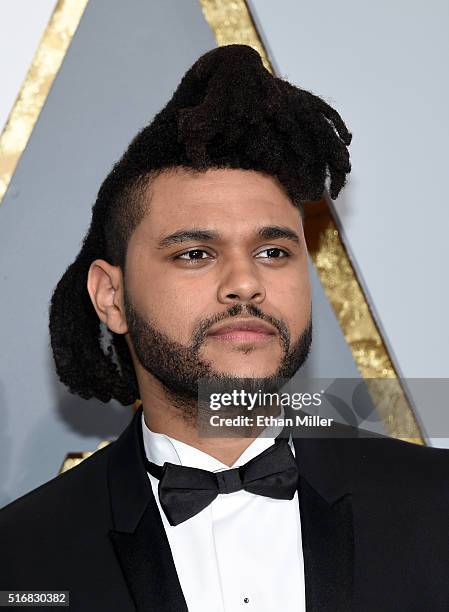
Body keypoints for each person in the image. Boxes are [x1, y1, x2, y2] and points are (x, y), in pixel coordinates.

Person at [0, 44, 448, 612]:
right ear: (111, 297)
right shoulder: (22, 556)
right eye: (194, 253)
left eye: (272, 250)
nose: (245, 282)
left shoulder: (437, 507)